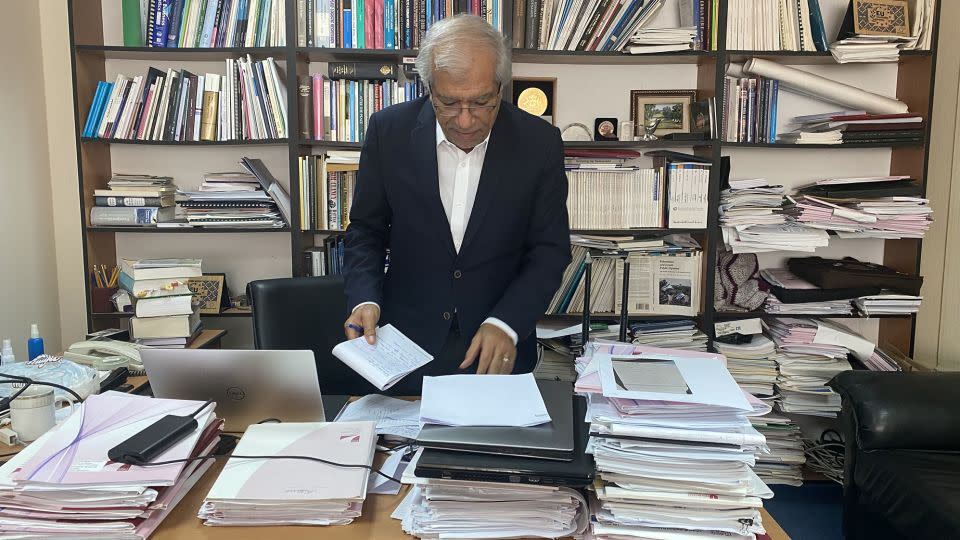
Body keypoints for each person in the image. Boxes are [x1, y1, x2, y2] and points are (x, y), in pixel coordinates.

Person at [341, 14, 571, 394]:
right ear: (428, 87)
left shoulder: (539, 143)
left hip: (497, 349)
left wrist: (507, 323)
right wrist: (365, 297)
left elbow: (549, 250)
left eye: (482, 102)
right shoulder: (389, 131)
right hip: (404, 348)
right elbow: (366, 231)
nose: (465, 121)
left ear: (501, 86)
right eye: (448, 103)